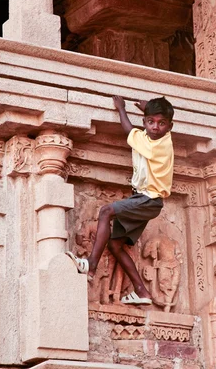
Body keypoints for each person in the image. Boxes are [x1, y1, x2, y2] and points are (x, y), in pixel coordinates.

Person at [66, 95, 174, 305]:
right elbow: (144, 129)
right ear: (145, 122)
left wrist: (121, 109)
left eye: (161, 124)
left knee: (106, 211)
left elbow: (128, 130)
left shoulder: (155, 145)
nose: (154, 127)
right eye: (150, 122)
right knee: (115, 245)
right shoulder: (163, 138)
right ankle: (142, 291)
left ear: (169, 127)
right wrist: (147, 108)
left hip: (148, 199)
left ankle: (91, 264)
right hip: (146, 200)